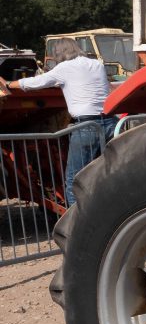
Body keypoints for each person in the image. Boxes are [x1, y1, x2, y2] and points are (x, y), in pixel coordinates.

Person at [0, 38, 114, 206]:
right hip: (111, 122)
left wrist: (9, 83)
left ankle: (76, 224)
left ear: (58, 53)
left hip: (86, 126)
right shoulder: (96, 64)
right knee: (105, 173)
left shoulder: (64, 68)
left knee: (75, 179)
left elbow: (35, 82)